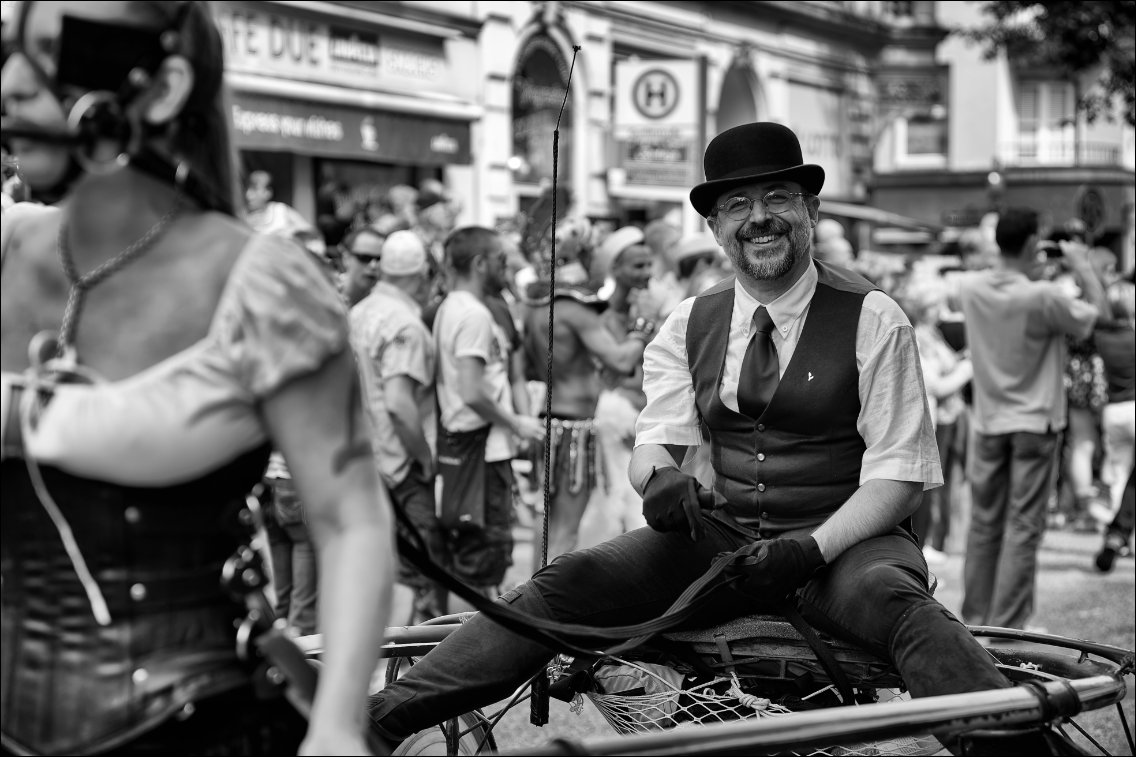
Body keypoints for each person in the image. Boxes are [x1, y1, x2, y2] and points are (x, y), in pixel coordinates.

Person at [368, 122, 1040, 754]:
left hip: (847, 546)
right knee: (565, 579)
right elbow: (654, 440)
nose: (759, 217)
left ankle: (1016, 748)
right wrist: (657, 479)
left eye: (778, 196)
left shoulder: (875, 318)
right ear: (716, 225)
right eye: (738, 203)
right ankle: (373, 722)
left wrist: (809, 548)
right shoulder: (689, 322)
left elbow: (900, 476)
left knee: (902, 606)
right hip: (723, 545)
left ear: (809, 211)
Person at [0, 2, 392, 755]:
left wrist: (339, 726)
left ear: (165, 85)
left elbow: (350, 519)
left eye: (53, 52)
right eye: (9, 48)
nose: (13, 81)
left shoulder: (263, 284)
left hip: (198, 727)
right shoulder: (7, 248)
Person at [957, 208, 1108, 630]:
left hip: (988, 421)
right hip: (1034, 423)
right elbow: (1096, 314)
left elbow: (996, 275)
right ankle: (1007, 627)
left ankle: (975, 621)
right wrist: (1081, 266)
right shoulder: (1042, 296)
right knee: (1023, 527)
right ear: (1030, 244)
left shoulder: (971, 288)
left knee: (984, 525)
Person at [521, 222, 664, 570]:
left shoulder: (539, 305)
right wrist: (643, 324)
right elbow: (621, 359)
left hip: (548, 422)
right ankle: (541, 617)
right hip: (573, 429)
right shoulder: (576, 307)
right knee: (566, 534)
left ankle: (527, 607)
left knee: (545, 533)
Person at [433, 227, 545, 597]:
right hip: (481, 456)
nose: (507, 269)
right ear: (480, 264)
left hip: (468, 452)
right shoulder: (473, 315)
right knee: (482, 563)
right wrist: (518, 424)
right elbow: (470, 390)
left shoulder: (453, 308)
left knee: (474, 560)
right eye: (501, 261)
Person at [350, 230, 446, 622]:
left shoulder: (358, 313)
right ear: (421, 275)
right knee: (411, 574)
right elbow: (398, 405)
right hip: (399, 466)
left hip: (362, 461)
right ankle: (396, 667)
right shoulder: (403, 324)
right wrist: (423, 459)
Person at [579, 227, 657, 548]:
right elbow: (615, 374)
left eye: (649, 264)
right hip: (614, 429)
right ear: (615, 269)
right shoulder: (603, 316)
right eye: (637, 266)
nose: (646, 273)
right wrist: (644, 325)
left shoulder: (647, 311)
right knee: (614, 518)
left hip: (644, 423)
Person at [895, 277, 972, 563]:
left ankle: (936, 540)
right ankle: (924, 542)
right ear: (926, 307)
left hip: (947, 416)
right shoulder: (916, 335)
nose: (943, 309)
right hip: (932, 417)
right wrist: (968, 368)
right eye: (938, 303)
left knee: (946, 483)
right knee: (928, 487)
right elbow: (935, 385)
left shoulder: (931, 332)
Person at [1093, 279, 1135, 571]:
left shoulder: (1103, 338)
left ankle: (1115, 532)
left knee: (1118, 472)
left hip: (1113, 410)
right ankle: (1122, 535)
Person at [339, 226, 385, 308]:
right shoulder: (327, 294)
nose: (373, 265)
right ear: (346, 259)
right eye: (364, 258)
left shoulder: (387, 304)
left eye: (379, 259)